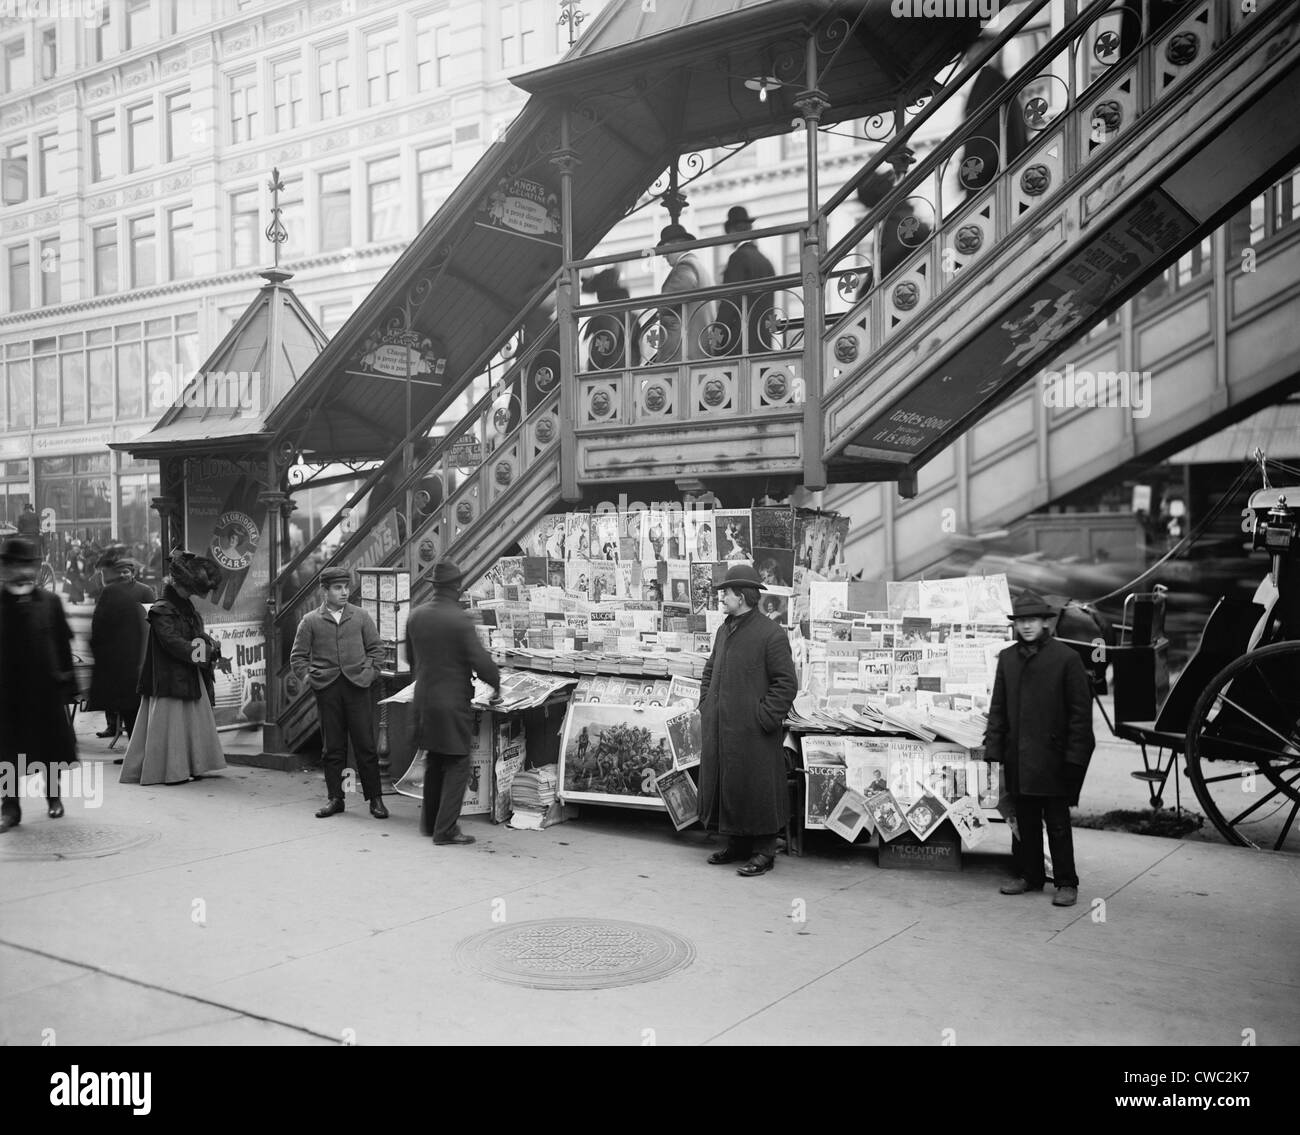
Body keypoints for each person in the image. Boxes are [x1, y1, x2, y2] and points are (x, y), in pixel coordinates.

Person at [985, 591, 1095, 907]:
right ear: (1016, 625)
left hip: (1054, 759)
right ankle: (1029, 875)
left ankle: (1066, 882)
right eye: (1021, 621)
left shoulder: (1066, 659)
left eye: (1033, 620)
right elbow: (998, 709)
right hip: (1019, 757)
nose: (1027, 626)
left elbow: (1079, 715)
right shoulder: (1007, 659)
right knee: (1025, 821)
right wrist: (995, 750)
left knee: (1058, 823)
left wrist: (1074, 757)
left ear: (1046, 622)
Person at [697, 563, 798, 877]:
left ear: (741, 596)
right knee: (730, 785)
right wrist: (706, 703)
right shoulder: (724, 628)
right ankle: (737, 844)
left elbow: (786, 684)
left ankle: (765, 852)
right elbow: (710, 670)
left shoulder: (771, 634)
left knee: (757, 789)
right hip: (721, 727)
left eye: (726, 592)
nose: (722, 596)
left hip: (753, 732)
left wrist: (763, 718)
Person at [406, 559, 501, 846]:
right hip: (451, 703)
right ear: (456, 587)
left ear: (435, 586)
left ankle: (429, 823)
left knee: (435, 759)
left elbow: (411, 660)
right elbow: (480, 661)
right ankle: (445, 830)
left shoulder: (415, 615)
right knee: (458, 763)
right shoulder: (460, 620)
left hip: (423, 699)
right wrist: (495, 684)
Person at [120, 550, 228, 787]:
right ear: (177, 584)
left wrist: (208, 642)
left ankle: (193, 765)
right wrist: (204, 653)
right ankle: (172, 771)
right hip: (168, 678)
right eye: (189, 590)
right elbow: (173, 644)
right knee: (173, 726)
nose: (192, 595)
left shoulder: (185, 606)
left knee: (190, 723)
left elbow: (192, 634)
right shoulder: (161, 609)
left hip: (187, 673)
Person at [291, 565, 388, 819]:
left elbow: (377, 651)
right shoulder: (310, 621)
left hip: (357, 687)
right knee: (332, 747)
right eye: (337, 588)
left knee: (365, 745)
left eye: (346, 587)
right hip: (328, 690)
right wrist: (310, 679)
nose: (344, 592)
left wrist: (368, 675)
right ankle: (336, 798)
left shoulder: (361, 616)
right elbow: (298, 657)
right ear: (324, 591)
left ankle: (375, 798)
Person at [0, 536, 76, 831]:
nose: (20, 571)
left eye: (26, 565)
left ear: (33, 568)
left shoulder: (50, 602)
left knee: (50, 750)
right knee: (8, 753)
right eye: (13, 564)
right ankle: (10, 807)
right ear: (5, 568)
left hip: (44, 690)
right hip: (8, 693)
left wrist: (68, 685)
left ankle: (53, 798)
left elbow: (63, 645)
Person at [85, 549, 156, 750]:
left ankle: (137, 749)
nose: (124, 575)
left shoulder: (144, 591)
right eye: (121, 571)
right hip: (118, 658)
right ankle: (113, 727)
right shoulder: (108, 592)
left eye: (127, 571)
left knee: (131, 704)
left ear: (133, 573)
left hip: (134, 654)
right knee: (120, 701)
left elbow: (152, 619)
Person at [651, 223, 715, 363]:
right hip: (697, 348)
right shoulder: (697, 265)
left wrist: (659, 307)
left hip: (683, 352)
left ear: (677, 245)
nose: (664, 256)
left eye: (666, 249)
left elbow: (668, 302)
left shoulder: (685, 266)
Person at [718, 206, 776, 355]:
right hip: (763, 342)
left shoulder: (737, 258)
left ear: (732, 231)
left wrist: (715, 337)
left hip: (740, 344)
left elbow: (729, 302)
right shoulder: (765, 260)